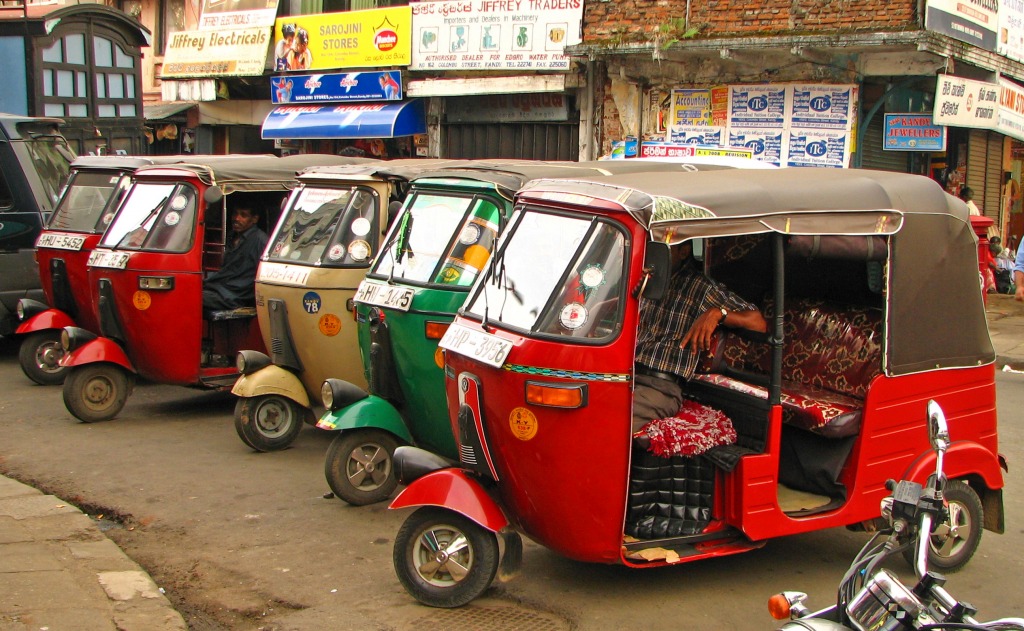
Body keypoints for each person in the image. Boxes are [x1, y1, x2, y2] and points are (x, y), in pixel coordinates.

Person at [632, 241, 768, 438]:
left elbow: (758, 322)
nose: (654, 253)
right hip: (628, 377)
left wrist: (718, 313)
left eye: (664, 247)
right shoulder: (649, 280)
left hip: (660, 387)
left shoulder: (701, 287)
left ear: (684, 251)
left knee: (614, 423)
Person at [202, 203, 268, 315]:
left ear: (254, 219)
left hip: (235, 296)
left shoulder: (260, 241)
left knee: (192, 298)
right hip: (220, 289)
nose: (237, 219)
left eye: (243, 215)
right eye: (235, 214)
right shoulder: (232, 236)